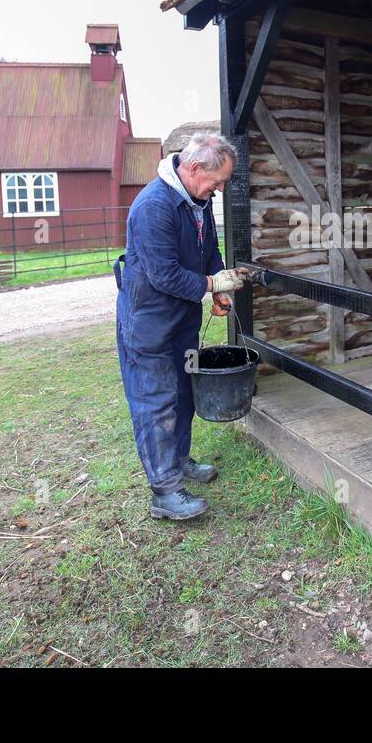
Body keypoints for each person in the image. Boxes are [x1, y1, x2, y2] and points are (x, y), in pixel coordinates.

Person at [114, 132, 249, 520]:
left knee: (183, 393)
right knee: (156, 401)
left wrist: (217, 281)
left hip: (183, 320)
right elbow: (165, 275)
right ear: (193, 169)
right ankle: (165, 491)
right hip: (149, 322)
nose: (219, 189)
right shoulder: (153, 206)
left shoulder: (198, 200)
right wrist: (211, 285)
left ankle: (180, 460)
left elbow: (210, 251)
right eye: (217, 180)